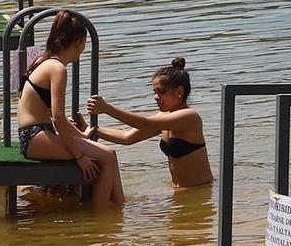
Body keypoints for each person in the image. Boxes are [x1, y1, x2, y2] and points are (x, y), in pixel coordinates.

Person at [16, 10, 123, 208]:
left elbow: (53, 117)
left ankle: (118, 205)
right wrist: (80, 156)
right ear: (79, 42)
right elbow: (57, 118)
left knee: (109, 155)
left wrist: (81, 137)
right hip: (35, 137)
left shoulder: (43, 61)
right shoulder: (58, 69)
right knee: (107, 156)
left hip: (32, 134)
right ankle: (103, 217)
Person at [86, 57, 212, 188]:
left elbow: (144, 123)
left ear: (179, 92)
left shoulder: (189, 117)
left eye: (161, 92)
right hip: (180, 190)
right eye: (155, 92)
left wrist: (107, 109)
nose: (156, 97)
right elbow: (127, 138)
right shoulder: (163, 117)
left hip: (199, 191)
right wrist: (89, 128)